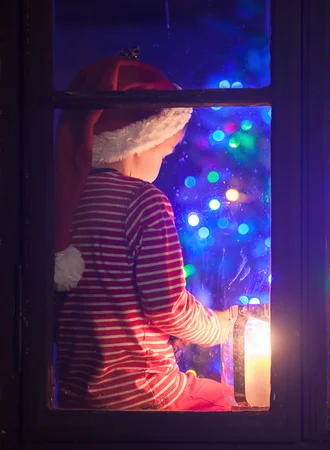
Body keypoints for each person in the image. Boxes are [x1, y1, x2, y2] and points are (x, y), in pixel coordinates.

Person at [53, 50, 233, 411]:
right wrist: (219, 328)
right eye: (164, 154)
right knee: (224, 400)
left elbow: (108, 298)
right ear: (136, 144)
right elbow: (166, 305)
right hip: (144, 395)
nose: (162, 164)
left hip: (76, 397)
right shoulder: (144, 202)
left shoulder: (66, 202)